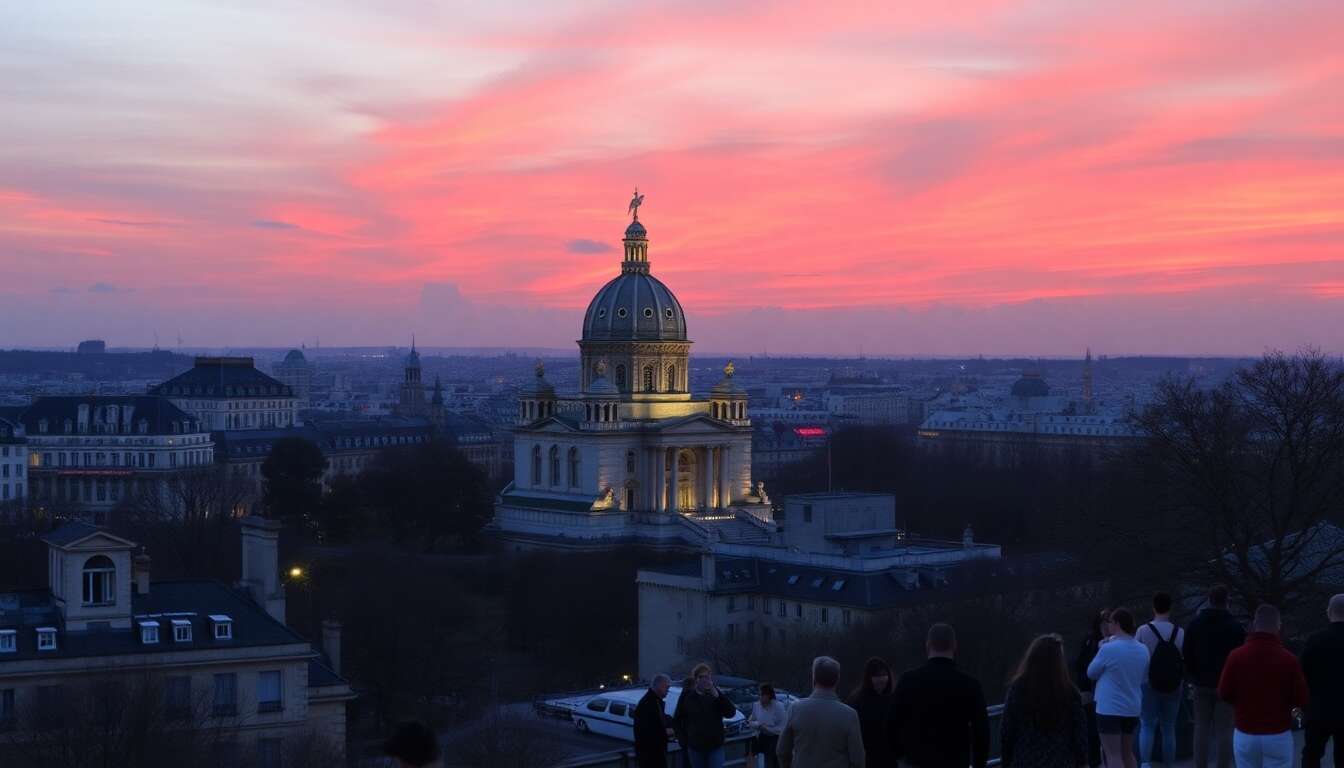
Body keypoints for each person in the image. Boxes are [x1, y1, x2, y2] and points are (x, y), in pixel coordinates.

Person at [1217, 603, 1309, 768]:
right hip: (1278, 732)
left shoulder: (1236, 656)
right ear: (1278, 626)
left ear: (1254, 625)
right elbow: (1301, 697)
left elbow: (1224, 692)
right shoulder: (1289, 660)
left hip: (1245, 731)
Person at [888, 623, 991, 768]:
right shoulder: (970, 684)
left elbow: (891, 724)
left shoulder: (908, 680)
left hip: (916, 761)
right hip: (955, 762)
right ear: (954, 645)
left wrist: (900, 756)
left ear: (928, 645)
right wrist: (979, 764)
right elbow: (981, 732)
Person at [1000, 634, 1089, 768]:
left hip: (1025, 760)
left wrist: (1006, 760)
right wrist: (1081, 760)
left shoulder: (1018, 688)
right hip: (1062, 761)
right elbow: (1079, 734)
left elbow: (1007, 730)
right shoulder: (1070, 692)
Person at [1183, 585, 1245, 768]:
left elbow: (1187, 653)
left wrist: (1193, 676)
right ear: (1228, 602)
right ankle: (1222, 765)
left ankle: (1200, 764)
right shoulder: (1235, 627)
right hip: (1226, 685)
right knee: (1224, 730)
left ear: (1209, 600)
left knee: (1201, 727)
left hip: (1201, 682)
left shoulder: (1195, 625)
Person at [1087, 608, 1149, 768]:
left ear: (1117, 624)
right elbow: (1143, 677)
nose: (1108, 625)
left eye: (1110, 622)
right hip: (1132, 707)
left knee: (1113, 754)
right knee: (1127, 753)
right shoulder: (1143, 649)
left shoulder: (1108, 648)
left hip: (1109, 709)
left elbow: (1091, 672)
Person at [777, 656, 865, 768]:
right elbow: (858, 760)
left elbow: (782, 751)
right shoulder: (849, 715)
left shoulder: (795, 709)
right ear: (837, 679)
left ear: (814, 678)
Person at [1135, 592, 1186, 768]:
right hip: (1174, 686)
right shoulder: (1180, 632)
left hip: (1148, 684)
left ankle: (1146, 763)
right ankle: (1169, 765)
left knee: (1147, 725)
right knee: (1169, 728)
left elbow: (1137, 657)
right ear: (1170, 608)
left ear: (1153, 607)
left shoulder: (1143, 630)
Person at [1300, 594, 1344, 768]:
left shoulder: (1315, 640)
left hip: (1319, 709)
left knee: (1311, 754)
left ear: (1329, 612)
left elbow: (1301, 672)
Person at [672, 662, 738, 768]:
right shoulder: (687, 697)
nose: (705, 680)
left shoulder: (715, 695)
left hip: (715, 745)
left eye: (708, 677)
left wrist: (718, 696)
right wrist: (684, 741)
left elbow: (731, 713)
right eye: (701, 677)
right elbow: (677, 720)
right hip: (695, 746)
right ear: (696, 679)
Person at [1075, 610, 1110, 767]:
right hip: (1091, 691)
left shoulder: (1107, 643)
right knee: (1093, 732)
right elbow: (1081, 666)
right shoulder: (1090, 642)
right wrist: (1084, 688)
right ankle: (1095, 761)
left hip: (1104, 693)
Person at [847, 657, 895, 768]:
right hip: (867, 759)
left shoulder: (893, 700)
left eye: (883, 674)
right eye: (876, 675)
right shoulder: (858, 702)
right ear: (869, 678)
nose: (881, 679)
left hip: (889, 759)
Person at [634, 674, 674, 768]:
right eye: (667, 687)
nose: (668, 690)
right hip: (651, 755)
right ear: (659, 685)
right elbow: (647, 731)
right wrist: (667, 732)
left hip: (652, 754)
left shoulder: (652, 701)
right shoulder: (648, 704)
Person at [749, 683, 789, 768]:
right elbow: (751, 721)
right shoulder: (756, 706)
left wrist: (767, 729)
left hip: (776, 738)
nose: (760, 697)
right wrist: (758, 725)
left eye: (763, 695)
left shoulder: (778, 706)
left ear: (769, 695)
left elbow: (783, 727)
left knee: (774, 761)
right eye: (759, 694)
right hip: (763, 737)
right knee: (765, 760)